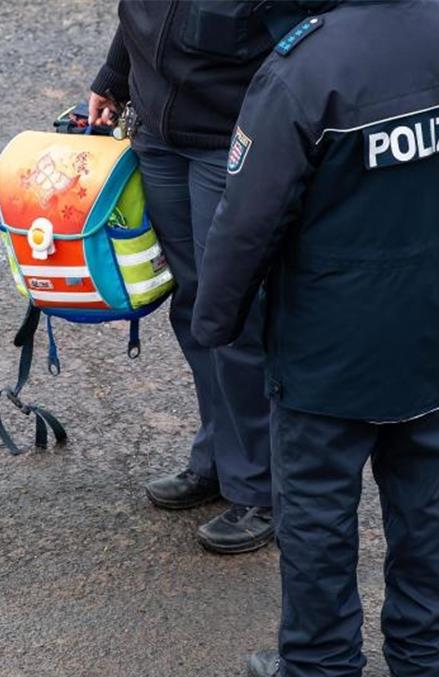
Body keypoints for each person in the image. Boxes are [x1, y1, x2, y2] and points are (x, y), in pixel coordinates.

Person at [191, 0, 439, 677]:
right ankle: (425, 664)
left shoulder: (308, 66)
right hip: (431, 323)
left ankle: (319, 668)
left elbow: (248, 217)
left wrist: (215, 318)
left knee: (316, 510)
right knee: (424, 499)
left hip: (328, 343)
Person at [88, 1, 326, 554]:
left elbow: (310, 45)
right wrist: (114, 76)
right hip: (159, 136)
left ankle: (260, 487)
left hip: (231, 142)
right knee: (194, 305)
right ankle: (218, 457)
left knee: (236, 312)